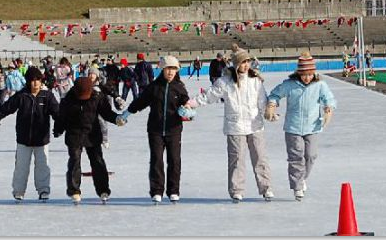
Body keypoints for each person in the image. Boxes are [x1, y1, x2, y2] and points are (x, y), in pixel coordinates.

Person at [187, 45, 273, 202]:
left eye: (247, 62)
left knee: (260, 157)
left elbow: (262, 100)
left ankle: (266, 187)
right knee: (236, 159)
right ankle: (236, 190)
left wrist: (268, 111)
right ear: (235, 64)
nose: (245, 65)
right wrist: (192, 103)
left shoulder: (255, 81)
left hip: (255, 124)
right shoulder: (225, 82)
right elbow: (208, 96)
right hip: (235, 126)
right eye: (242, 62)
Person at [265, 51, 337, 201]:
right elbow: (275, 94)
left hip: (313, 126)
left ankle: (302, 178)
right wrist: (272, 105)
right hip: (293, 127)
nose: (307, 77)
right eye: (304, 74)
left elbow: (329, 99)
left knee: (310, 155)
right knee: (296, 156)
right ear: (299, 73)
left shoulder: (320, 85)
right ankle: (297, 186)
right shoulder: (289, 85)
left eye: (310, 74)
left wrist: (328, 108)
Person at [123, 56, 191, 203]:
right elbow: (140, 102)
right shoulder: (154, 87)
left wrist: (188, 112)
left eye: (173, 69)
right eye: (168, 69)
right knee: (156, 160)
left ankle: (173, 190)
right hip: (155, 129)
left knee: (174, 160)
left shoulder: (179, 87)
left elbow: (187, 104)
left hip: (174, 129)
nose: (171, 72)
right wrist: (127, 112)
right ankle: (157, 191)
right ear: (162, 69)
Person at [0, 67, 59, 202]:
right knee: (21, 167)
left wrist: (61, 126)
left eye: (38, 80)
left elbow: (57, 113)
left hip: (42, 138)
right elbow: (7, 108)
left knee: (43, 166)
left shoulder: (47, 96)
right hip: (23, 138)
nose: (35, 83)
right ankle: (19, 191)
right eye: (32, 81)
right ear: (27, 82)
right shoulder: (22, 95)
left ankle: (43, 189)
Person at [54, 77, 126, 204]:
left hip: (92, 133)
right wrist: (58, 129)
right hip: (74, 134)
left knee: (98, 161)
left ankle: (103, 190)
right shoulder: (68, 100)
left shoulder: (97, 97)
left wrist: (116, 119)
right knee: (74, 162)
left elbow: (106, 113)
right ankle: (74, 191)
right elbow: (62, 117)